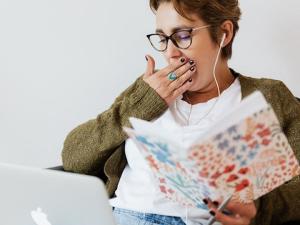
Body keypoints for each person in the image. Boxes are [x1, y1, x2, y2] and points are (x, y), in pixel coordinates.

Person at [61, 0, 300, 225]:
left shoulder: (268, 96)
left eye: (183, 36)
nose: (170, 53)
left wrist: (258, 207)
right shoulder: (150, 89)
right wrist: (141, 104)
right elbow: (73, 158)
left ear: (224, 33)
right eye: (163, 39)